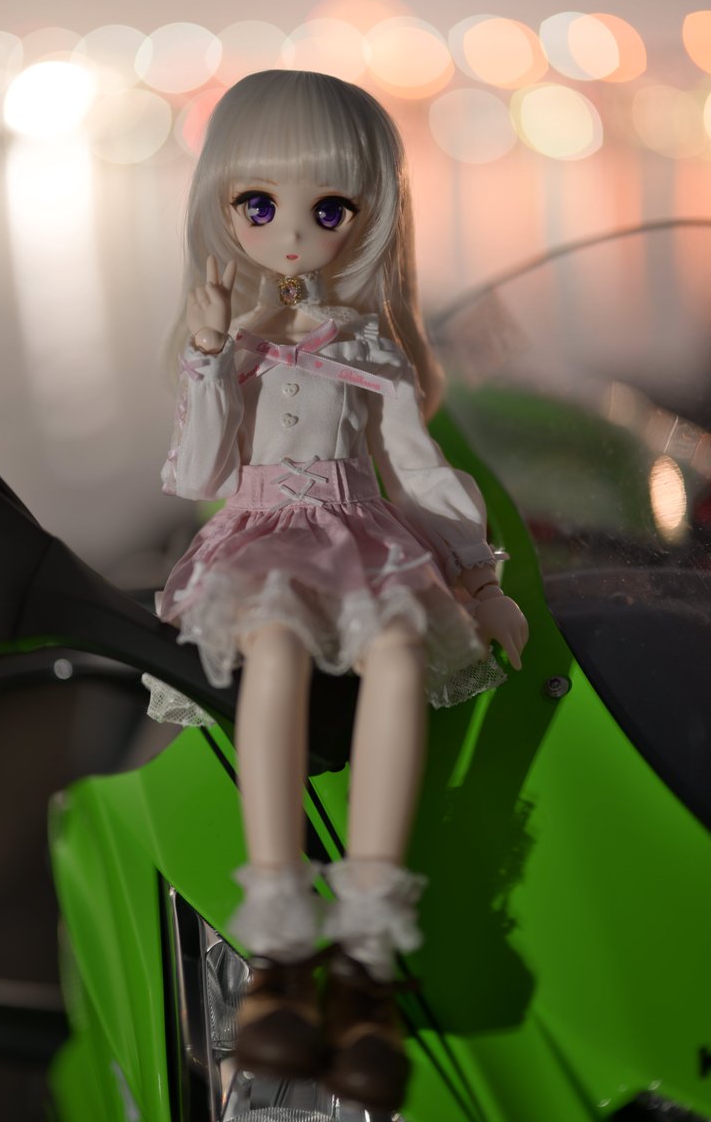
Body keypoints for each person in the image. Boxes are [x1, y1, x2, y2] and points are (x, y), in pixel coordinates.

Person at [145, 68, 528, 1110]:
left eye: (328, 210)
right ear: (222, 206)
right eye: (257, 204)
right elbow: (197, 473)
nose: (290, 232)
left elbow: (416, 469)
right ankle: (279, 947)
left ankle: (364, 958)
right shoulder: (238, 345)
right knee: (271, 641)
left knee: (397, 650)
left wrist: (477, 574)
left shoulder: (370, 345)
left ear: (367, 216)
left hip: (360, 534)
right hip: (263, 535)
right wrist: (207, 354)